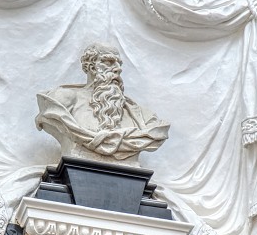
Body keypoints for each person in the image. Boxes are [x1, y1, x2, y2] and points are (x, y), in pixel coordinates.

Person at [36, 43, 169, 164]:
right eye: (109, 62)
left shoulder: (140, 115)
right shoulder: (63, 99)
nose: (117, 69)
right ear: (91, 67)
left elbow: (157, 133)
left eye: (118, 63)